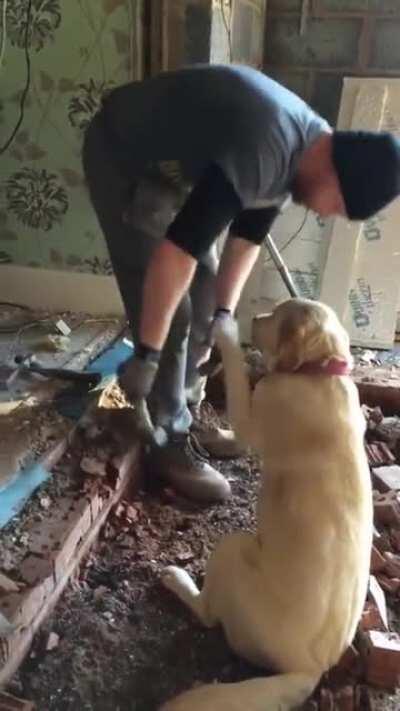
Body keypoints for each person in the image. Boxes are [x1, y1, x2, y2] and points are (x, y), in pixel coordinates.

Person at [83, 63, 400, 504]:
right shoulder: (268, 148)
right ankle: (167, 437)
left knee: (206, 285)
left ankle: (185, 411)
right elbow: (175, 255)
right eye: (338, 206)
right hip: (125, 154)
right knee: (173, 311)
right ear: (336, 174)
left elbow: (247, 238)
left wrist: (224, 314)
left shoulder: (302, 158)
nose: (326, 214)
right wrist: (148, 355)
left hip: (174, 166)